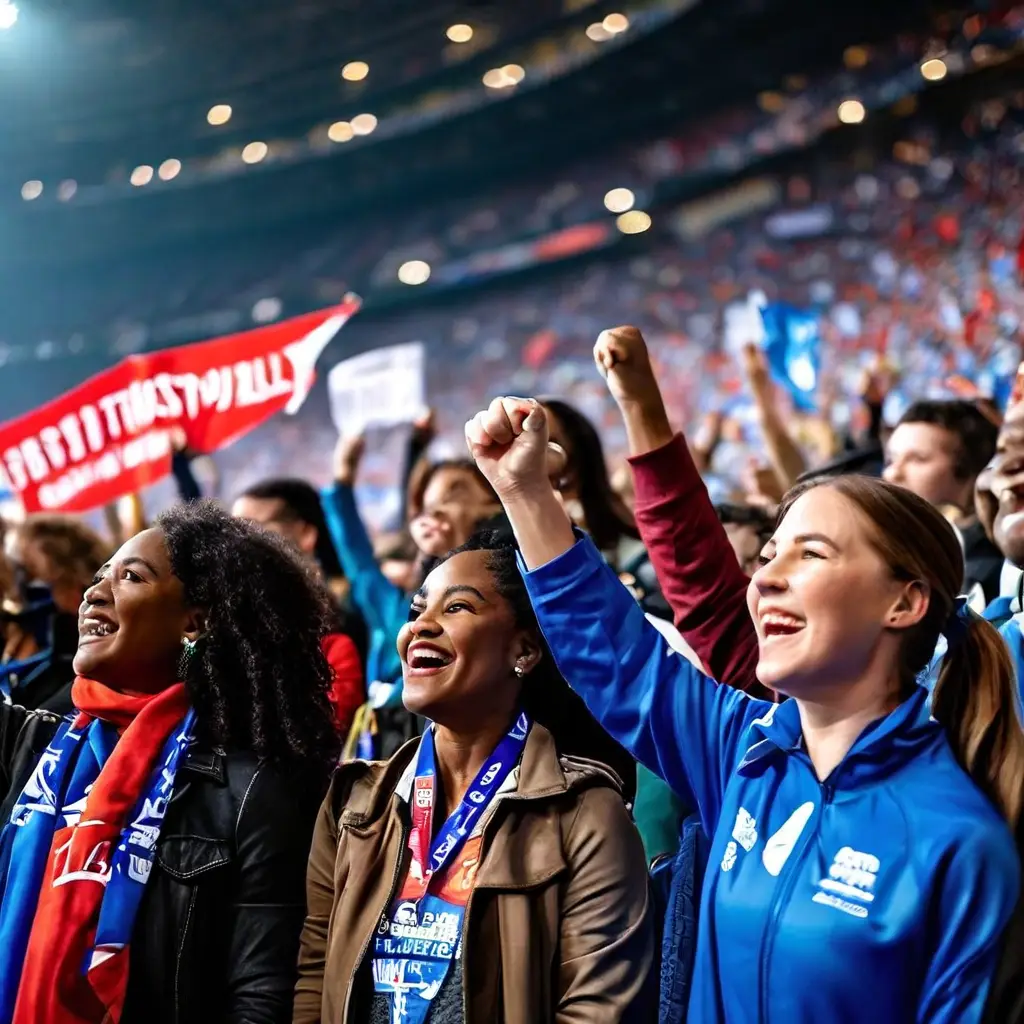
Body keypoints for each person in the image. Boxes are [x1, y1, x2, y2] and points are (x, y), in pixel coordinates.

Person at [465, 395, 1022, 1023]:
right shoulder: (742, 752)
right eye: (768, 556)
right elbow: (616, 656)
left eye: (811, 554)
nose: (766, 579)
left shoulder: (958, 843)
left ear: (905, 602)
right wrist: (526, 492)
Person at [293, 531, 654, 1024]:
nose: (421, 627)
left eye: (457, 608)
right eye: (417, 610)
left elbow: (599, 1009)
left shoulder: (586, 814)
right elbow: (315, 977)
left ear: (523, 651)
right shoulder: (354, 804)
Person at [0, 500, 339, 1024]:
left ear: (196, 621)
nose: (94, 593)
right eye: (97, 577)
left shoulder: (252, 789)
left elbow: (262, 995)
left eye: (130, 577)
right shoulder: (37, 746)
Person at [323, 433, 502, 758]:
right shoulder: (397, 605)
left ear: (493, 501)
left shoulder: (511, 586)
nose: (440, 510)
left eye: (456, 491)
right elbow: (361, 565)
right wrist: (342, 478)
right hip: (389, 745)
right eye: (431, 505)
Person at [230, 476, 367, 736]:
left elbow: (328, 724)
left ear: (305, 533)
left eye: (252, 527)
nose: (237, 542)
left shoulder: (340, 631)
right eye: (232, 529)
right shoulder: (218, 622)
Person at [884, 399, 1002, 604]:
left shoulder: (985, 572)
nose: (892, 473)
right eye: (891, 459)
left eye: (917, 459)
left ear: (969, 470)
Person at [2, 514, 111, 714]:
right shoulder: (20, 633)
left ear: (72, 574)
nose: (22, 586)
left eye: (31, 572)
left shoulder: (96, 643)